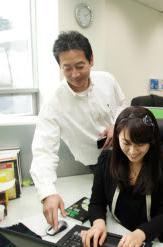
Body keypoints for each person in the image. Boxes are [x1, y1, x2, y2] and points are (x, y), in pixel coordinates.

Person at [30, 31, 126, 231]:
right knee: (108, 215)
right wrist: (47, 193)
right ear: (60, 67)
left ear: (91, 60)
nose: (75, 74)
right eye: (67, 68)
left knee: (132, 209)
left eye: (80, 66)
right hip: (96, 166)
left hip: (126, 153)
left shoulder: (107, 80)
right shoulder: (54, 103)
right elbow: (43, 151)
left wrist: (117, 124)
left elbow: (122, 107)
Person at [80, 106, 163, 247]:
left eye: (140, 144)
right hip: (117, 231)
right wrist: (98, 223)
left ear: (151, 141)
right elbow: (97, 202)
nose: (133, 151)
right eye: (126, 143)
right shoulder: (106, 161)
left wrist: (140, 234)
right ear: (117, 137)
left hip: (154, 236)